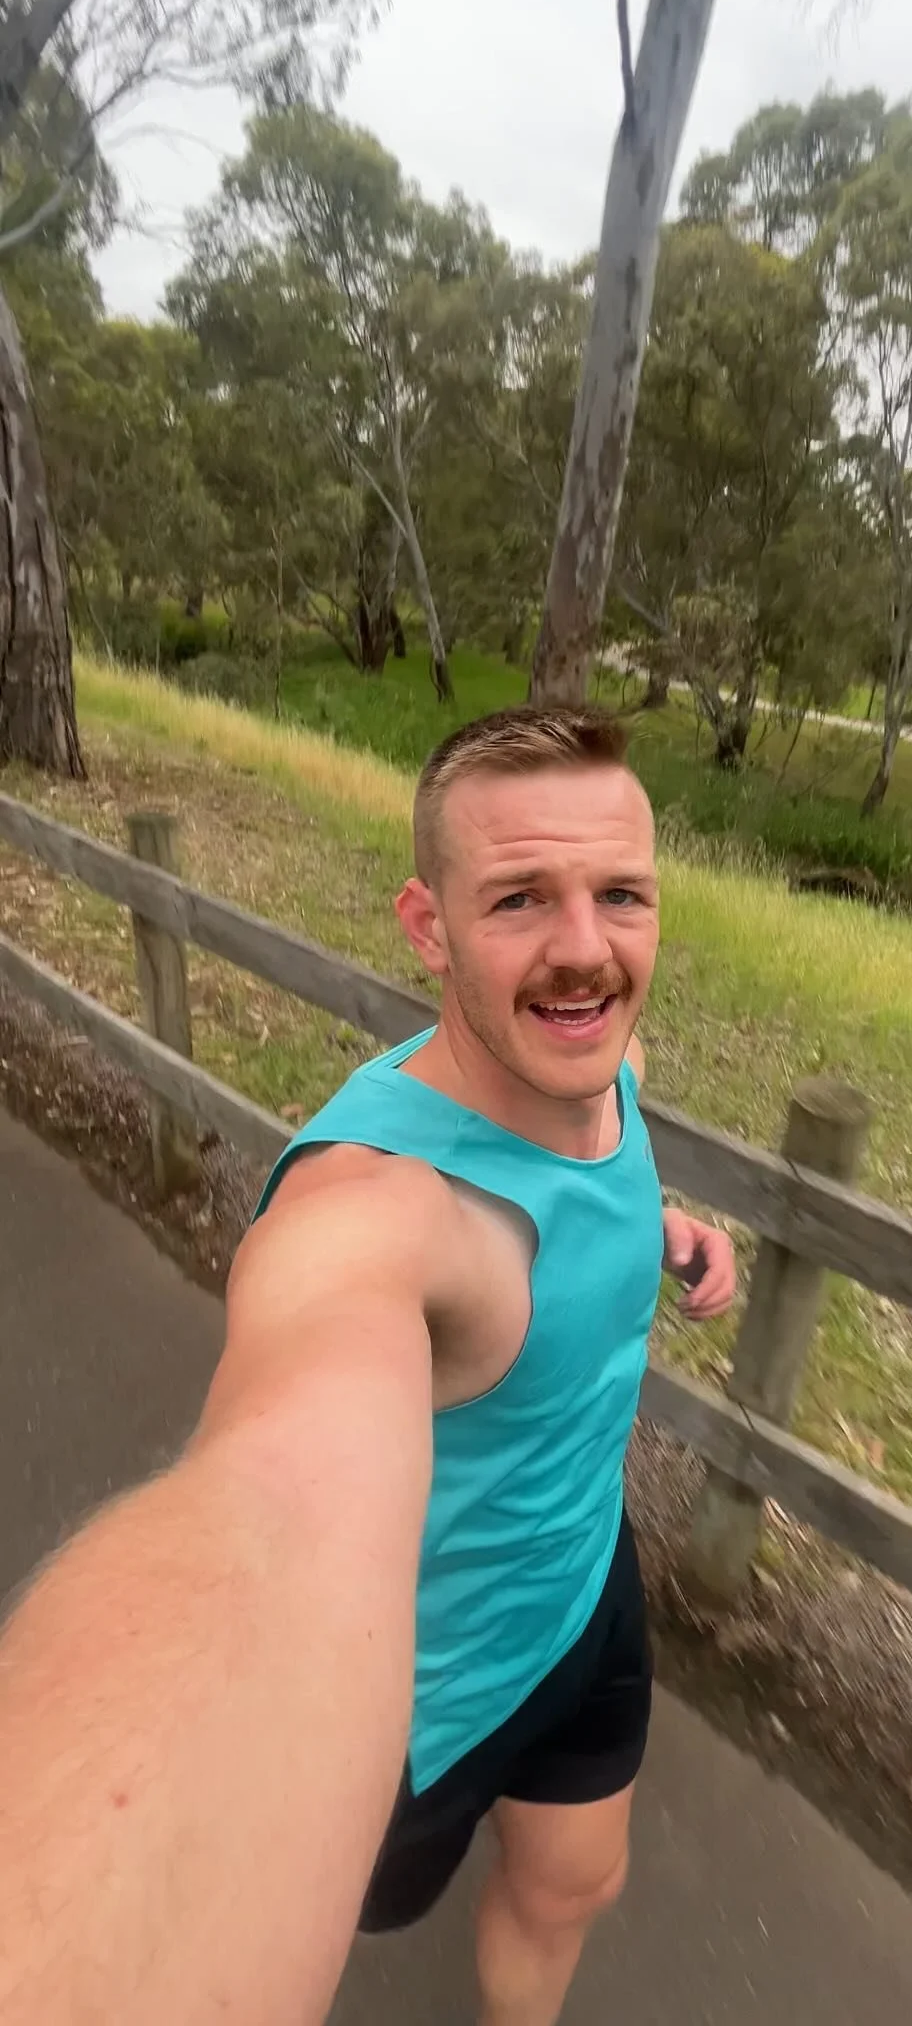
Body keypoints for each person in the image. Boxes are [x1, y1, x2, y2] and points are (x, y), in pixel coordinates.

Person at [0, 704, 734, 2026]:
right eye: (520, 897)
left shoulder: (596, 1056)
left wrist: (660, 1229)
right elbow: (271, 1499)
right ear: (427, 926)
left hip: (585, 1588)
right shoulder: (376, 1210)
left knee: (573, 1886)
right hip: (420, 1704)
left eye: (620, 893)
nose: (585, 946)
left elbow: (587, 1174)